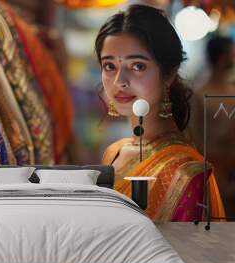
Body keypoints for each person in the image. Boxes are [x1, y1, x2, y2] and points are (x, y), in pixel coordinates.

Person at [95, 4, 225, 221]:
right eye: (110, 66)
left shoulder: (185, 173)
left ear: (168, 75)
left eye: (137, 66)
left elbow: (189, 253)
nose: (120, 81)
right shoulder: (114, 153)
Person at [189, 36, 235, 217]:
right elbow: (196, 141)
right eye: (231, 53)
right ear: (222, 57)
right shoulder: (200, 95)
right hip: (214, 174)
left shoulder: (232, 91)